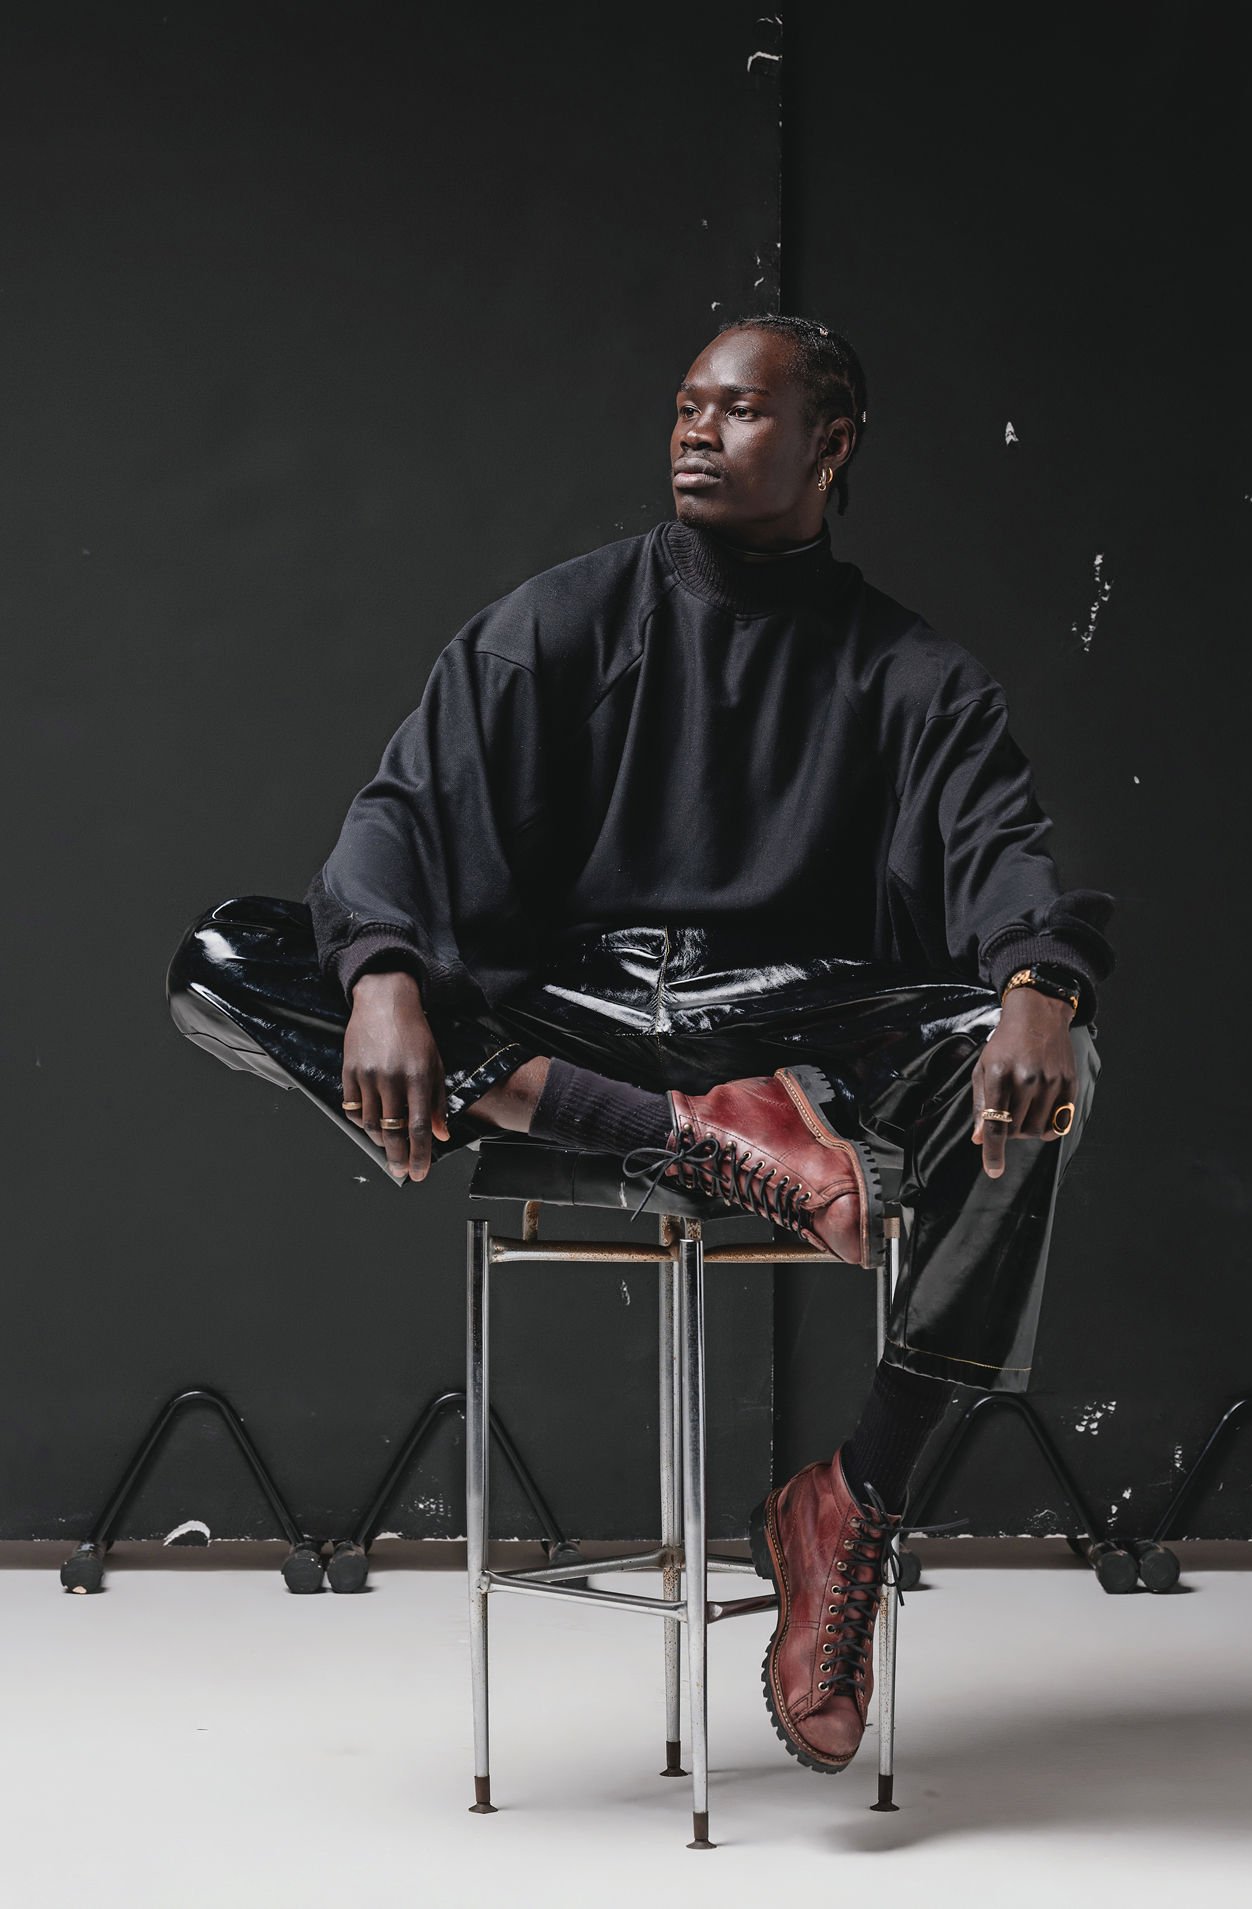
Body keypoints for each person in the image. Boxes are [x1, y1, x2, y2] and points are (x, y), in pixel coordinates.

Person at [167, 312, 1116, 1777]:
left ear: (830, 446)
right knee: (231, 955)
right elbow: (402, 813)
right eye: (685, 406)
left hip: (802, 1034)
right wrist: (381, 972)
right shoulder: (560, 622)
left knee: (1045, 1069)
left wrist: (1044, 988)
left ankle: (854, 1498)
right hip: (590, 1021)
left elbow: (1006, 856)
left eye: (738, 410)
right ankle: (678, 1136)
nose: (694, 431)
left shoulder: (912, 675)